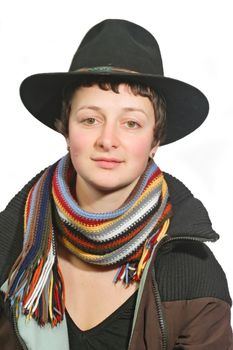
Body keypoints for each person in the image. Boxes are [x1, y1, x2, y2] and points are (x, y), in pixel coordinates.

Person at [0, 18, 232, 350]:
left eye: (132, 123)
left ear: (155, 140)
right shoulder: (8, 245)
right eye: (90, 119)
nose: (108, 139)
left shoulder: (193, 275)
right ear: (66, 130)